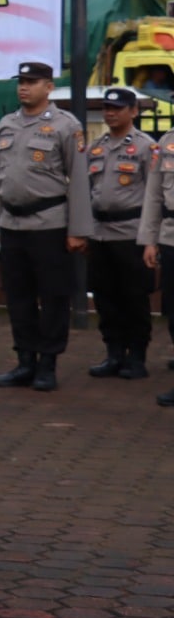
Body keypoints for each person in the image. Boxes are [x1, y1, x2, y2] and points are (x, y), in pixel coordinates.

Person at [0, 61, 92, 392]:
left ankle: (47, 363)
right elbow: (0, 177)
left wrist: (77, 230)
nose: (24, 87)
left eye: (32, 82)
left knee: (53, 297)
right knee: (17, 297)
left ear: (49, 87)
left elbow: (78, 179)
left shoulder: (66, 125)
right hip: (12, 224)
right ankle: (25, 361)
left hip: (49, 224)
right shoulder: (7, 124)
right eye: (21, 81)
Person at [83, 87, 154, 381]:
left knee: (134, 298)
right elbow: (86, 191)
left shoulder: (146, 147)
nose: (110, 113)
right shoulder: (95, 147)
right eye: (107, 108)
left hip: (131, 234)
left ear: (133, 111)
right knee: (105, 297)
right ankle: (113, 353)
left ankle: (136, 356)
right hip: (100, 234)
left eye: (117, 108)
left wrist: (150, 239)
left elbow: (154, 196)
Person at [139, 120, 174, 406]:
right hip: (171, 237)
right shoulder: (166, 142)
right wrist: (149, 240)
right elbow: (153, 195)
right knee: (173, 311)